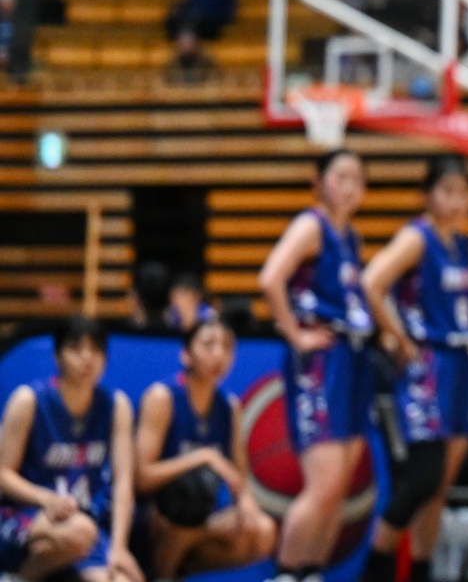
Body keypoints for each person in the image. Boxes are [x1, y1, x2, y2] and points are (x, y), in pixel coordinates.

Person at [359, 156, 468, 582]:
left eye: (463, 193)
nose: (456, 201)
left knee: (439, 489)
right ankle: (373, 572)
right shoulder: (416, 238)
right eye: (447, 191)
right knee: (421, 480)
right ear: (428, 195)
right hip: (429, 365)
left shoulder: (467, 248)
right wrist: (399, 338)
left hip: (462, 366)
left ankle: (421, 572)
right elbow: (371, 282)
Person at [257, 147, 374, 582]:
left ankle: (312, 572)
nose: (350, 186)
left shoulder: (351, 238)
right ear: (319, 182)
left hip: (353, 358)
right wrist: (296, 334)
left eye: (357, 178)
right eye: (340, 176)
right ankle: (285, 573)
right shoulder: (311, 225)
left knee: (339, 489)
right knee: (323, 485)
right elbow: (270, 278)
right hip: (320, 363)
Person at [135, 317, 277, 578]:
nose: (219, 354)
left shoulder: (229, 407)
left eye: (227, 346)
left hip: (197, 519)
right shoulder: (162, 397)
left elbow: (238, 476)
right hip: (151, 515)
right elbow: (141, 479)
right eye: (209, 345)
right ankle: (160, 572)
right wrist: (202, 457)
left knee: (262, 530)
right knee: (191, 493)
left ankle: (173, 570)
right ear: (186, 355)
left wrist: (246, 502)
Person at [0, 318, 136, 582]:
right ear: (57, 356)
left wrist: (119, 548)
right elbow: (3, 474)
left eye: (95, 349)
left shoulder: (116, 405)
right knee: (78, 533)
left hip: (81, 522)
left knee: (123, 579)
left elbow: (123, 482)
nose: (87, 358)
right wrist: (46, 499)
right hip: (23, 513)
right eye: (75, 348)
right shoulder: (28, 400)